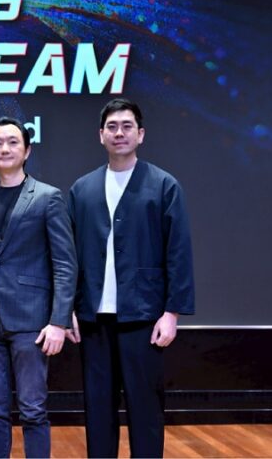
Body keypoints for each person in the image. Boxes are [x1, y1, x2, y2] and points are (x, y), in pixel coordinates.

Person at [67, 98, 195, 458]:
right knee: (98, 409)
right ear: (100, 135)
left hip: (144, 317)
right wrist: (68, 310)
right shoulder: (82, 189)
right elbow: (69, 257)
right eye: (112, 126)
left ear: (141, 134)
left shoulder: (164, 185)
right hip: (93, 319)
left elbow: (178, 252)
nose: (119, 133)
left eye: (127, 126)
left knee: (146, 408)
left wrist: (172, 313)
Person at [0, 117, 77, 458]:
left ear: (27, 150)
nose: (5, 148)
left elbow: (65, 264)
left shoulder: (48, 197)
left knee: (33, 410)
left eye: (13, 142)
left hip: (32, 321)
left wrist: (59, 321)